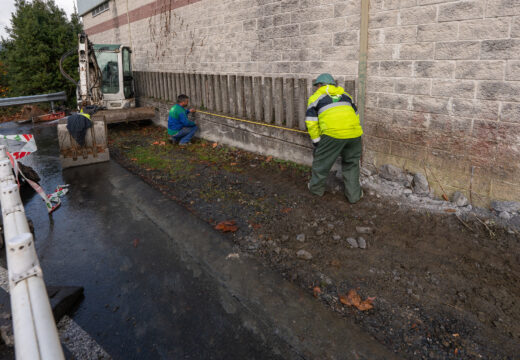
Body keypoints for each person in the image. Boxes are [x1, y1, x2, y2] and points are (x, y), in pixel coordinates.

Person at [305, 73, 364, 203]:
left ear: (320, 85)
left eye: (317, 86)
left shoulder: (315, 98)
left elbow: (311, 121)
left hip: (333, 134)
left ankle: (315, 190)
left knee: (321, 163)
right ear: (333, 84)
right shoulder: (346, 96)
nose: (316, 88)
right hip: (355, 134)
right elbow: (356, 115)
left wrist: (317, 141)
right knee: (351, 164)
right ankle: (354, 195)